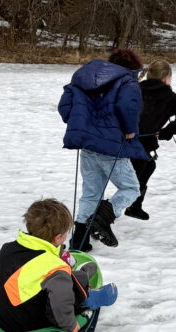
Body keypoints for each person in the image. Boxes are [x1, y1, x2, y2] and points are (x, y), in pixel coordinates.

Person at [0, 198, 117, 332]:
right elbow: (60, 302)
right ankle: (86, 295)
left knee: (55, 280)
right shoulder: (53, 265)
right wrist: (70, 325)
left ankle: (80, 278)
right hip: (29, 324)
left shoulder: (7, 249)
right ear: (58, 238)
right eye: (66, 233)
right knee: (65, 285)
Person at [58, 49, 148, 249]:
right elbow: (128, 106)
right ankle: (101, 217)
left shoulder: (84, 78)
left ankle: (79, 241)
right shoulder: (127, 82)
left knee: (91, 193)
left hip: (88, 146)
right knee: (132, 188)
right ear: (132, 67)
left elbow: (65, 107)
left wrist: (81, 124)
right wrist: (130, 130)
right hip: (112, 146)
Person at [126, 60, 176, 220]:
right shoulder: (169, 96)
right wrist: (166, 132)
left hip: (125, 138)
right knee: (133, 180)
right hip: (141, 142)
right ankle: (105, 216)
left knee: (148, 166)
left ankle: (134, 205)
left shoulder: (135, 89)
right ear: (166, 78)